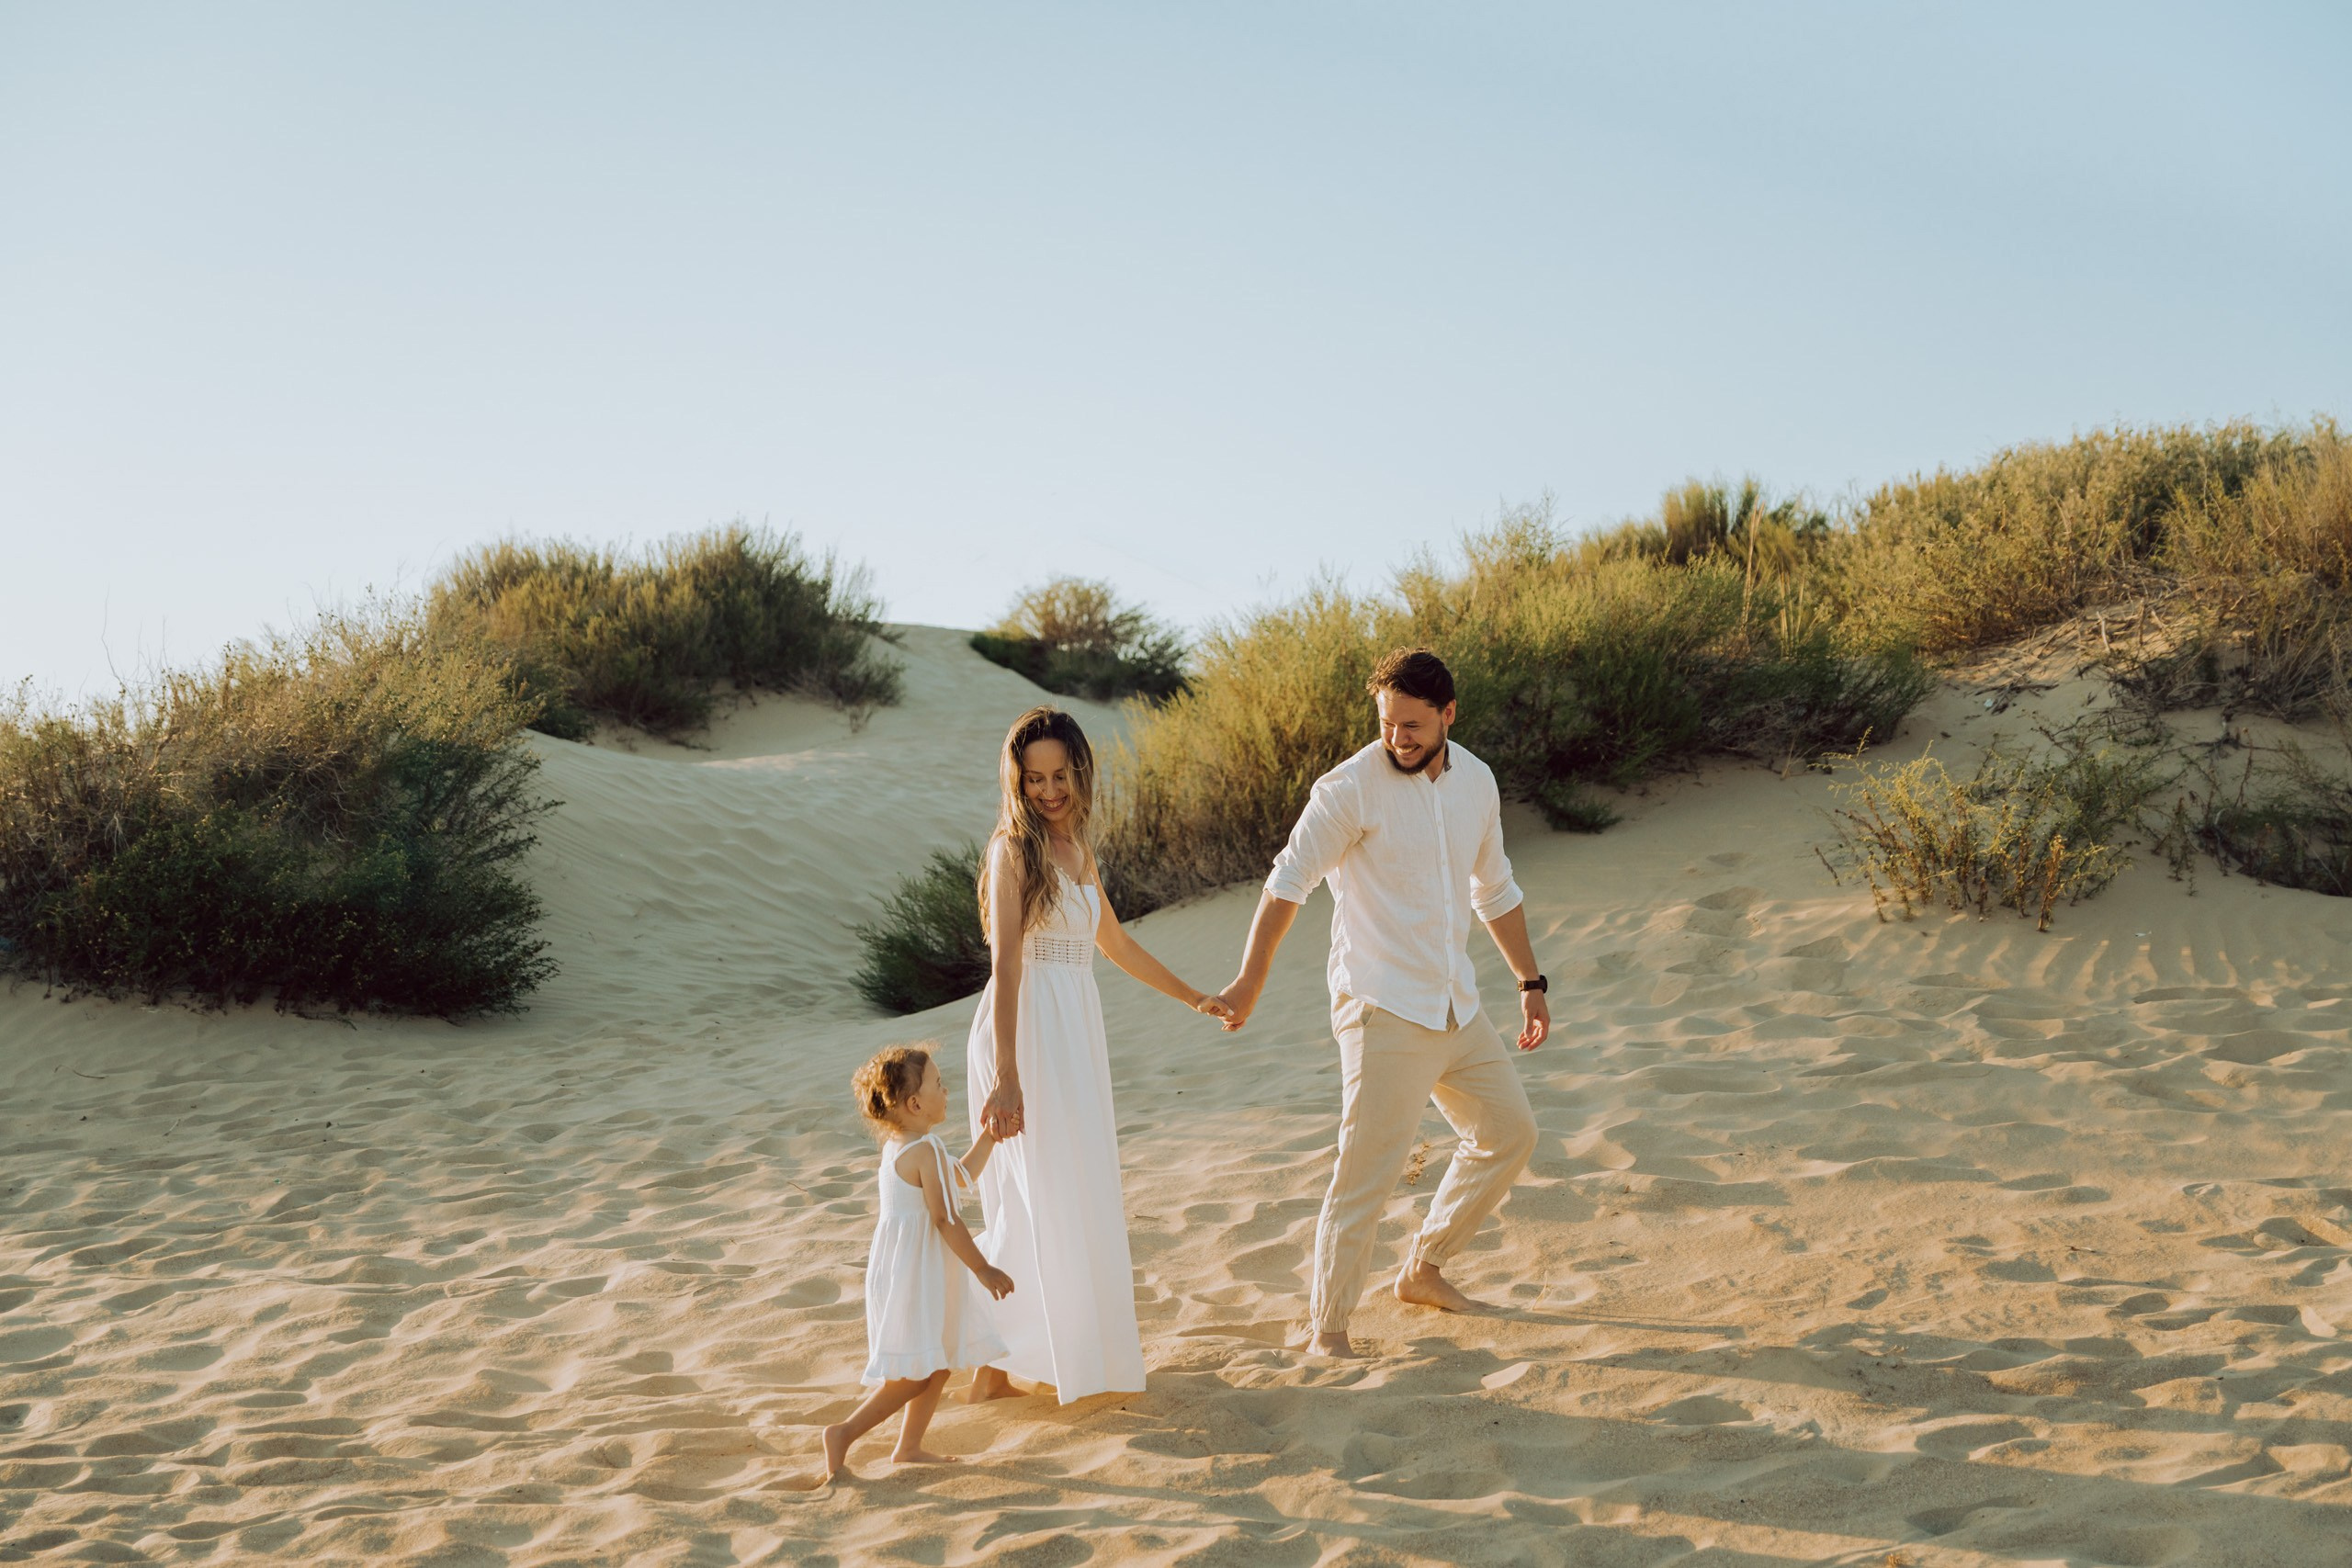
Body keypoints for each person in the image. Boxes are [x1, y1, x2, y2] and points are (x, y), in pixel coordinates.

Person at [1214, 649, 1547, 1357]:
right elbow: (1287, 882)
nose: (1398, 737)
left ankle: (1423, 1269)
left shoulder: (1477, 782)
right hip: (1381, 1005)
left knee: (1509, 1131)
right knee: (1366, 1172)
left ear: (1449, 716)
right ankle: (1327, 1331)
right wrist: (1250, 978)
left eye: (1414, 725)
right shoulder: (1349, 788)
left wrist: (1530, 981)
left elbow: (1496, 890)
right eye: (1388, 723)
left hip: (1455, 1002)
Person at [965, 705, 1231, 1404]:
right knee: (1030, 1196)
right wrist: (1007, 1072)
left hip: (1074, 1035)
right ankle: (992, 1366)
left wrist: (1195, 997)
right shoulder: (1011, 852)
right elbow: (1008, 964)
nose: (1048, 790)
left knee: (1069, 1193)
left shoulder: (1080, 853)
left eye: (1060, 775)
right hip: (1022, 1034)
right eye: (1033, 779)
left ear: (1081, 774)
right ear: (1015, 783)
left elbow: (1115, 946)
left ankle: (1005, 1366)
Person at [817, 1043, 1014, 1481]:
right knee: (913, 1375)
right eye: (939, 1085)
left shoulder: (904, 1146)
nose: (947, 1091)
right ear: (915, 1103)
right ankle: (844, 1433)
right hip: (918, 1274)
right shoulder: (924, 1151)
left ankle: (908, 1447)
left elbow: (958, 1177)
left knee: (938, 1362)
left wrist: (990, 1137)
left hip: (915, 1267)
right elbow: (945, 1218)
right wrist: (982, 1267)